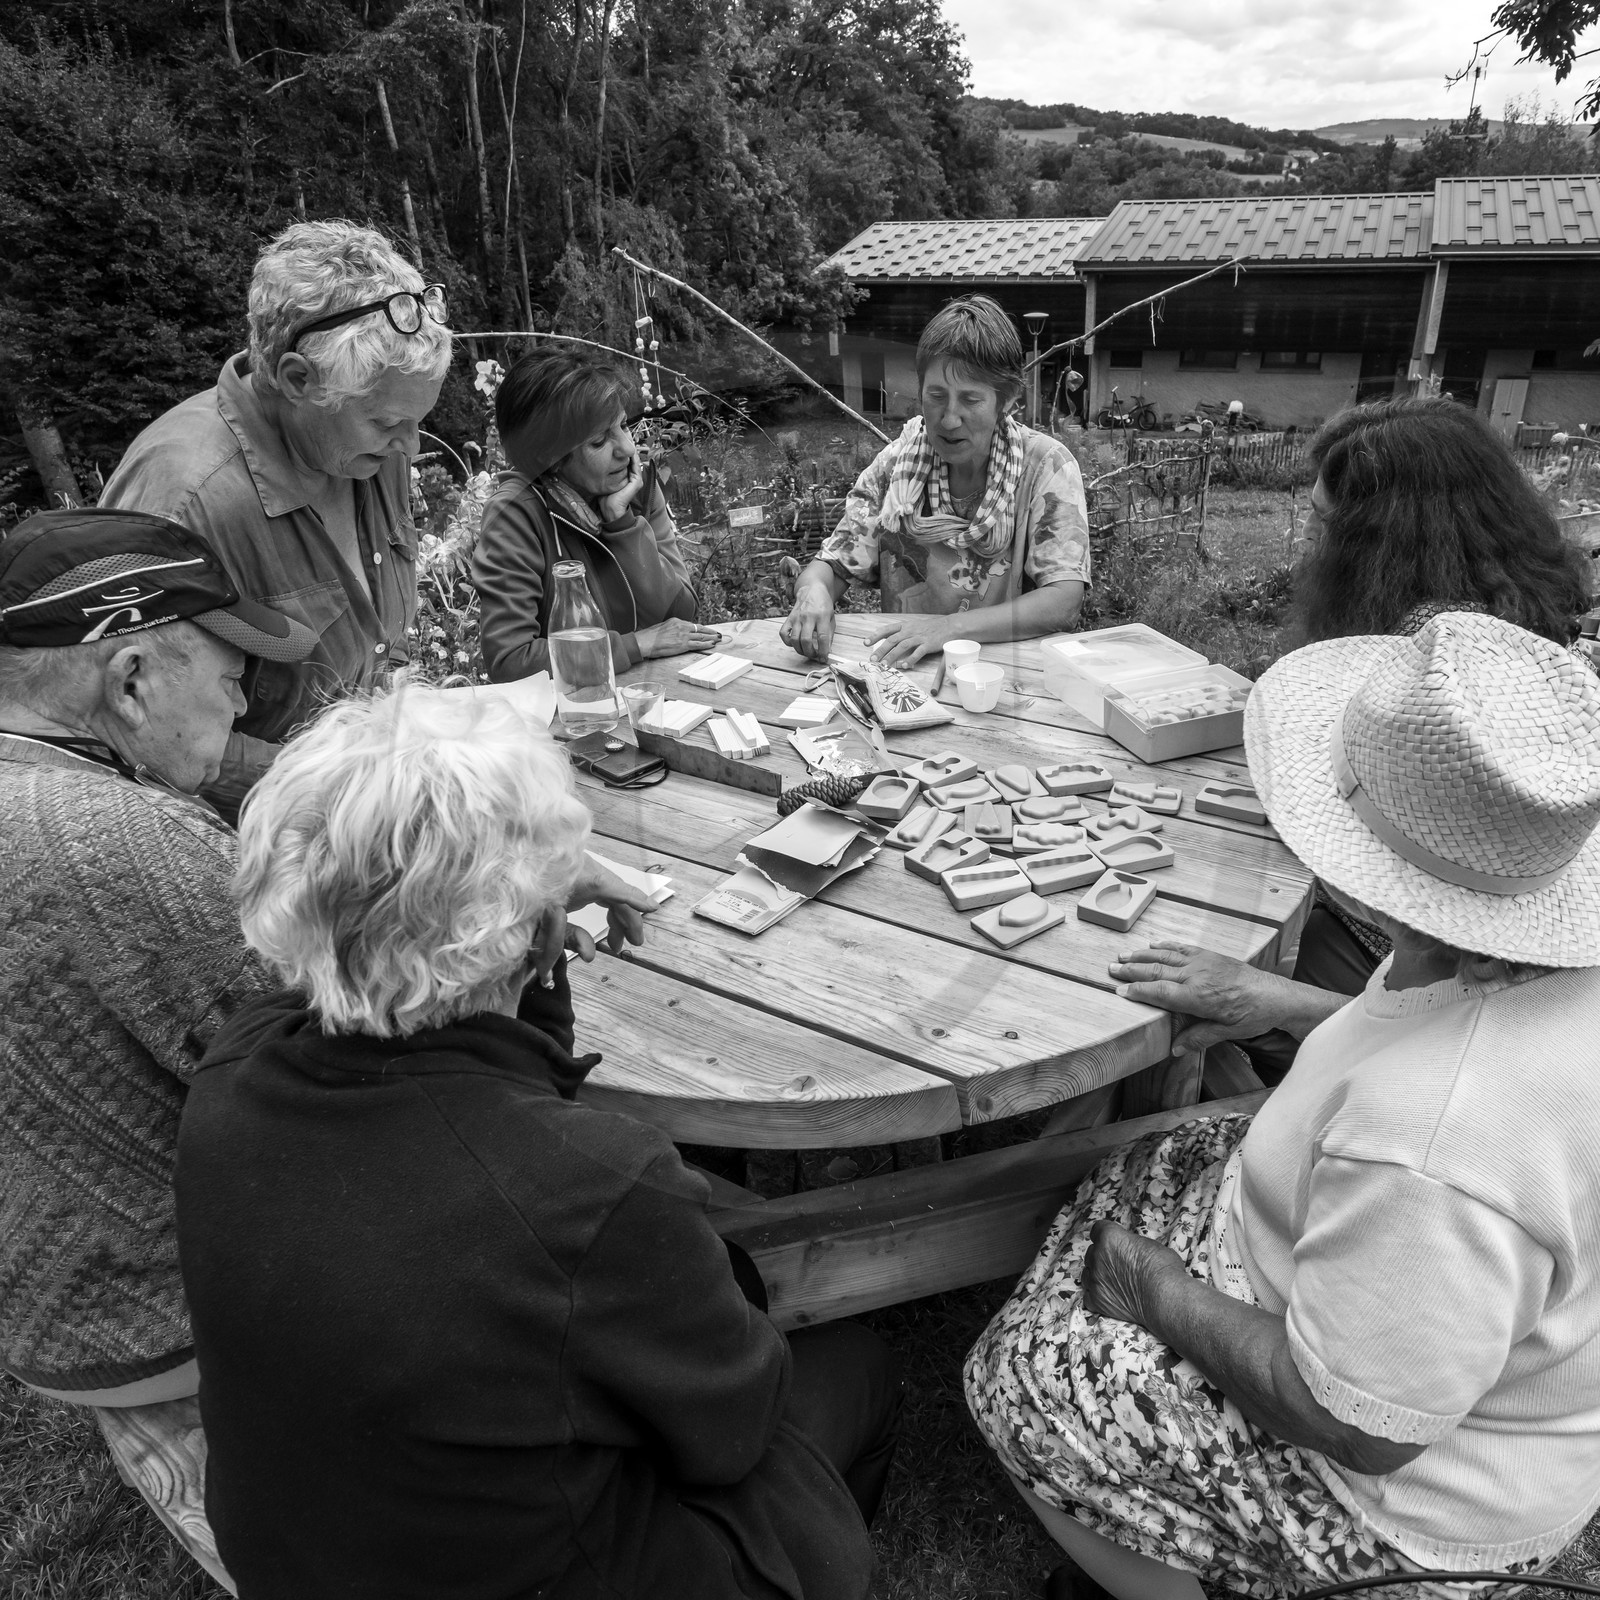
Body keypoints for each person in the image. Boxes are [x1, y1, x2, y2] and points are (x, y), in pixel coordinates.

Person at [174, 682, 902, 1600]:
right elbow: (733, 1425)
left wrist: (534, 932)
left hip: (308, 1557)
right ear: (539, 930)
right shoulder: (597, 1188)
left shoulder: (239, 1063)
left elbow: (486, 1094)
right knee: (854, 1370)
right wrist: (540, 929)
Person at [967, 610, 1600, 1599]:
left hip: (1399, 1504)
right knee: (1148, 1166)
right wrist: (1281, 1001)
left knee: (1018, 1380)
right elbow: (1438, 1035)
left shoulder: (1437, 1141)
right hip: (1415, 1302)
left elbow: (1360, 1422)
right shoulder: (1510, 954)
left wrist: (1157, 1291)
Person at [0, 507, 320, 1586]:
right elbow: (346, 1066)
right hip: (165, 1321)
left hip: (45, 1286)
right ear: (131, 680)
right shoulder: (130, 843)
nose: (241, 705)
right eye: (232, 679)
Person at [1219, 396, 1596, 1070]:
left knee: (1219, 934)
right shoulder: (1526, 625)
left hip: (1415, 961)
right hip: (1471, 939)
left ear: (1380, 542)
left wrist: (1276, 998)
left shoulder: (1431, 652)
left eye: (1323, 523)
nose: (1308, 543)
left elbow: (1459, 1005)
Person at [99, 219, 452, 814]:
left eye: (416, 421)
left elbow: (377, 654)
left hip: (366, 810)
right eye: (388, 422)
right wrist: (349, 783)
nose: (411, 448)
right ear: (296, 380)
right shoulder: (186, 498)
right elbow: (139, 731)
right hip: (236, 837)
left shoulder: (370, 454)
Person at [782, 295, 1090, 668]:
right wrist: (814, 592)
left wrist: (947, 629)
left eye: (971, 400)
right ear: (920, 391)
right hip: (903, 673)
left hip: (1005, 680)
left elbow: (1063, 600)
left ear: (1007, 399)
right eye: (937, 396)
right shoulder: (896, 469)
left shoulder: (1045, 467)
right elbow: (832, 567)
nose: (949, 419)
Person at [473, 349, 719, 682]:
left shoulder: (638, 490)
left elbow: (681, 616)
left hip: (652, 693)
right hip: (570, 708)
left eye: (623, 426)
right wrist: (635, 645)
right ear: (549, 457)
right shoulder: (516, 514)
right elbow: (511, 662)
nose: (627, 449)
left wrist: (623, 526)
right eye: (600, 441)